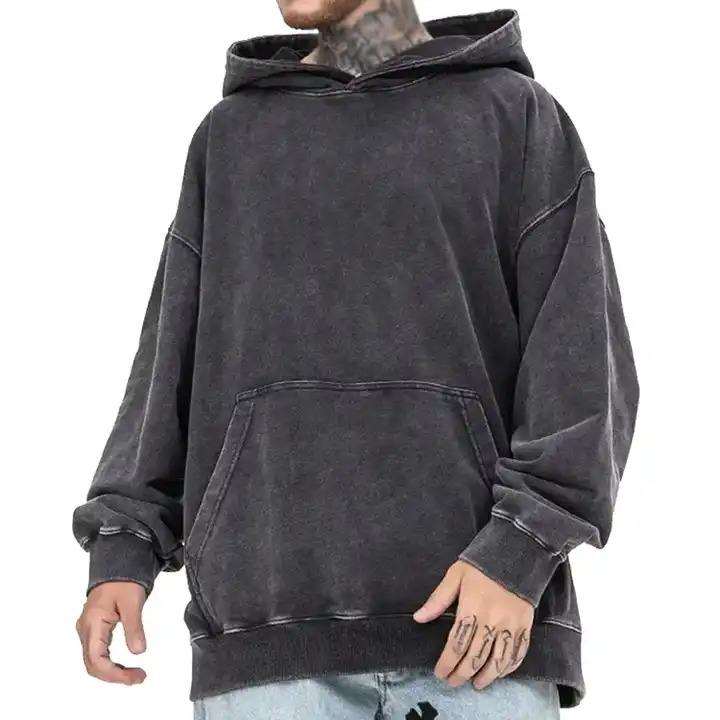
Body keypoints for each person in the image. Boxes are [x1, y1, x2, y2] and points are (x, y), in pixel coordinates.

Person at [73, 2, 639, 718]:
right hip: (266, 640)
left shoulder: (515, 117)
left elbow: (584, 368)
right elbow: (168, 365)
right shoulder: (232, 139)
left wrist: (522, 548)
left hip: (479, 634)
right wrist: (125, 542)